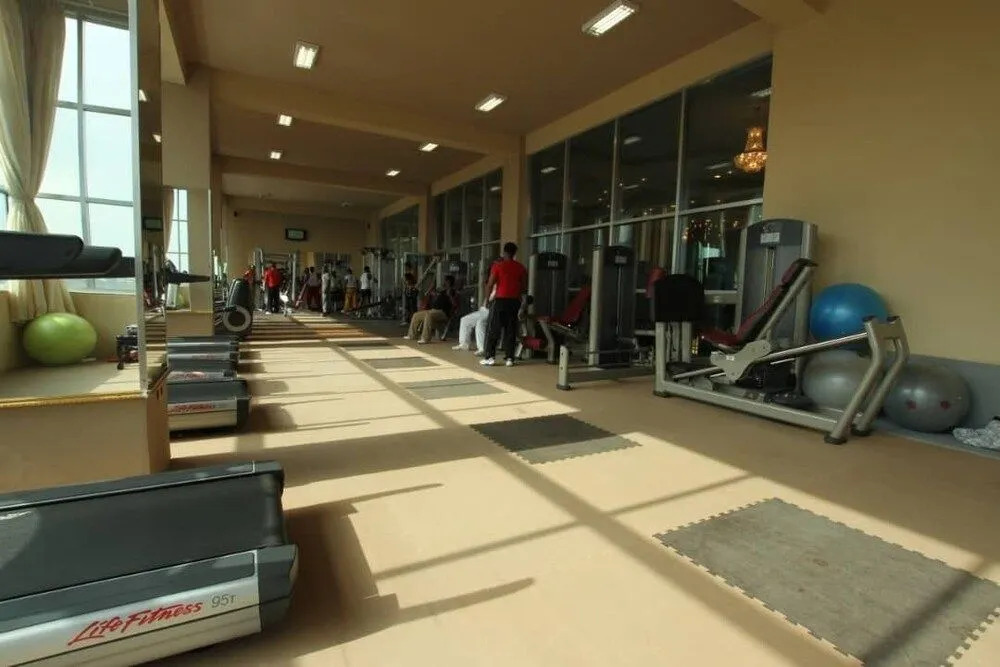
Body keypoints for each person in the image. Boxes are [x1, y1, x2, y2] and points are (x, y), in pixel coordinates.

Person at [481, 242, 527, 367]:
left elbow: (490, 284)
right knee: (510, 330)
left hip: (500, 301)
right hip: (514, 302)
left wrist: (487, 300)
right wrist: (522, 304)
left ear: (504, 252)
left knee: (494, 329)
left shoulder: (498, 266)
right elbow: (523, 288)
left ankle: (490, 357)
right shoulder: (521, 268)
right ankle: (510, 358)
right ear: (514, 253)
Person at [404, 275, 458, 344]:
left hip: (443, 312)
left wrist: (450, 295)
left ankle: (425, 338)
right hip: (434, 310)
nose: (444, 282)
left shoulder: (453, 292)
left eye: (446, 281)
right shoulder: (443, 291)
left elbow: (455, 304)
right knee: (416, 315)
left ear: (449, 282)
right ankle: (412, 335)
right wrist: (434, 294)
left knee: (428, 315)